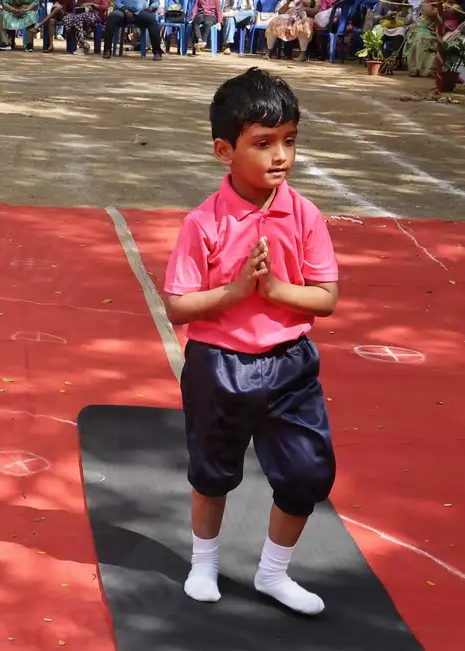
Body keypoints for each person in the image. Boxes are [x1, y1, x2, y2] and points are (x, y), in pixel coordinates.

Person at [161, 68, 339, 616]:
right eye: (263, 143)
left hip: (290, 363)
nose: (280, 155)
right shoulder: (204, 223)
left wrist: (281, 289)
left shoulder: (304, 214)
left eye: (289, 140)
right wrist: (235, 291)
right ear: (224, 150)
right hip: (220, 363)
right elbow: (178, 306)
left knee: (307, 471)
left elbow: (326, 297)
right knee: (213, 470)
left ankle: (273, 572)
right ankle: (205, 560)